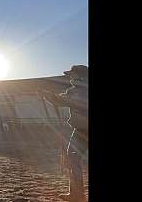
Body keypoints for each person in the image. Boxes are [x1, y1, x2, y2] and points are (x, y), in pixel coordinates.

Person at [55, 65, 89, 201]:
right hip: (79, 130)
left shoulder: (76, 92)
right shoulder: (72, 91)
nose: (70, 76)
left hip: (82, 131)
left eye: (72, 74)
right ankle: (76, 194)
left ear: (80, 75)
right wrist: (47, 96)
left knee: (73, 159)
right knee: (73, 159)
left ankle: (77, 194)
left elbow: (69, 101)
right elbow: (60, 101)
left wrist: (55, 98)